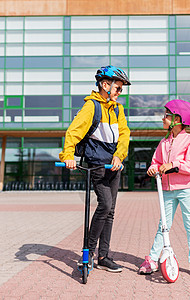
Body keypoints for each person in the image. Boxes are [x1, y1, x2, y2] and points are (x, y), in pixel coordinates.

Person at [59, 65, 131, 273]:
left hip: (113, 165)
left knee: (111, 211)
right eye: (117, 88)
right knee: (105, 204)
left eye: (121, 89)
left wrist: (119, 155)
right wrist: (68, 156)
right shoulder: (92, 107)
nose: (119, 92)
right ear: (105, 85)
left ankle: (104, 256)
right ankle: (89, 252)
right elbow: (73, 132)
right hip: (97, 164)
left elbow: (124, 135)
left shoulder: (118, 109)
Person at [138, 99, 190, 278]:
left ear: (178, 119)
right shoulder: (164, 143)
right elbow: (156, 162)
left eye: (167, 116)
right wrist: (153, 168)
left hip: (185, 189)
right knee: (164, 226)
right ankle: (152, 259)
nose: (163, 119)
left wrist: (172, 165)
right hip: (167, 190)